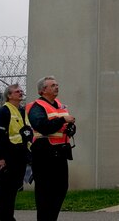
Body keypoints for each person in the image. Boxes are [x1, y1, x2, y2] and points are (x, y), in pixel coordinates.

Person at [25, 76, 76, 221]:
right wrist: (62, 120)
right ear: (43, 90)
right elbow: (42, 127)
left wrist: (71, 127)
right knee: (45, 192)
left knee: (61, 188)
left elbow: (64, 126)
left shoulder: (60, 105)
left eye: (57, 84)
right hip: (44, 154)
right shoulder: (37, 107)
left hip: (60, 153)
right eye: (53, 85)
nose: (57, 87)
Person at [0, 84, 32, 221]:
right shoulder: (3, 112)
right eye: (17, 91)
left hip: (20, 158)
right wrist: (0, 157)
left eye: (21, 91)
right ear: (9, 95)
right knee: (6, 192)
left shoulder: (21, 111)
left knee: (13, 190)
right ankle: (6, 218)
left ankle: (9, 217)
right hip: (8, 158)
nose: (21, 93)